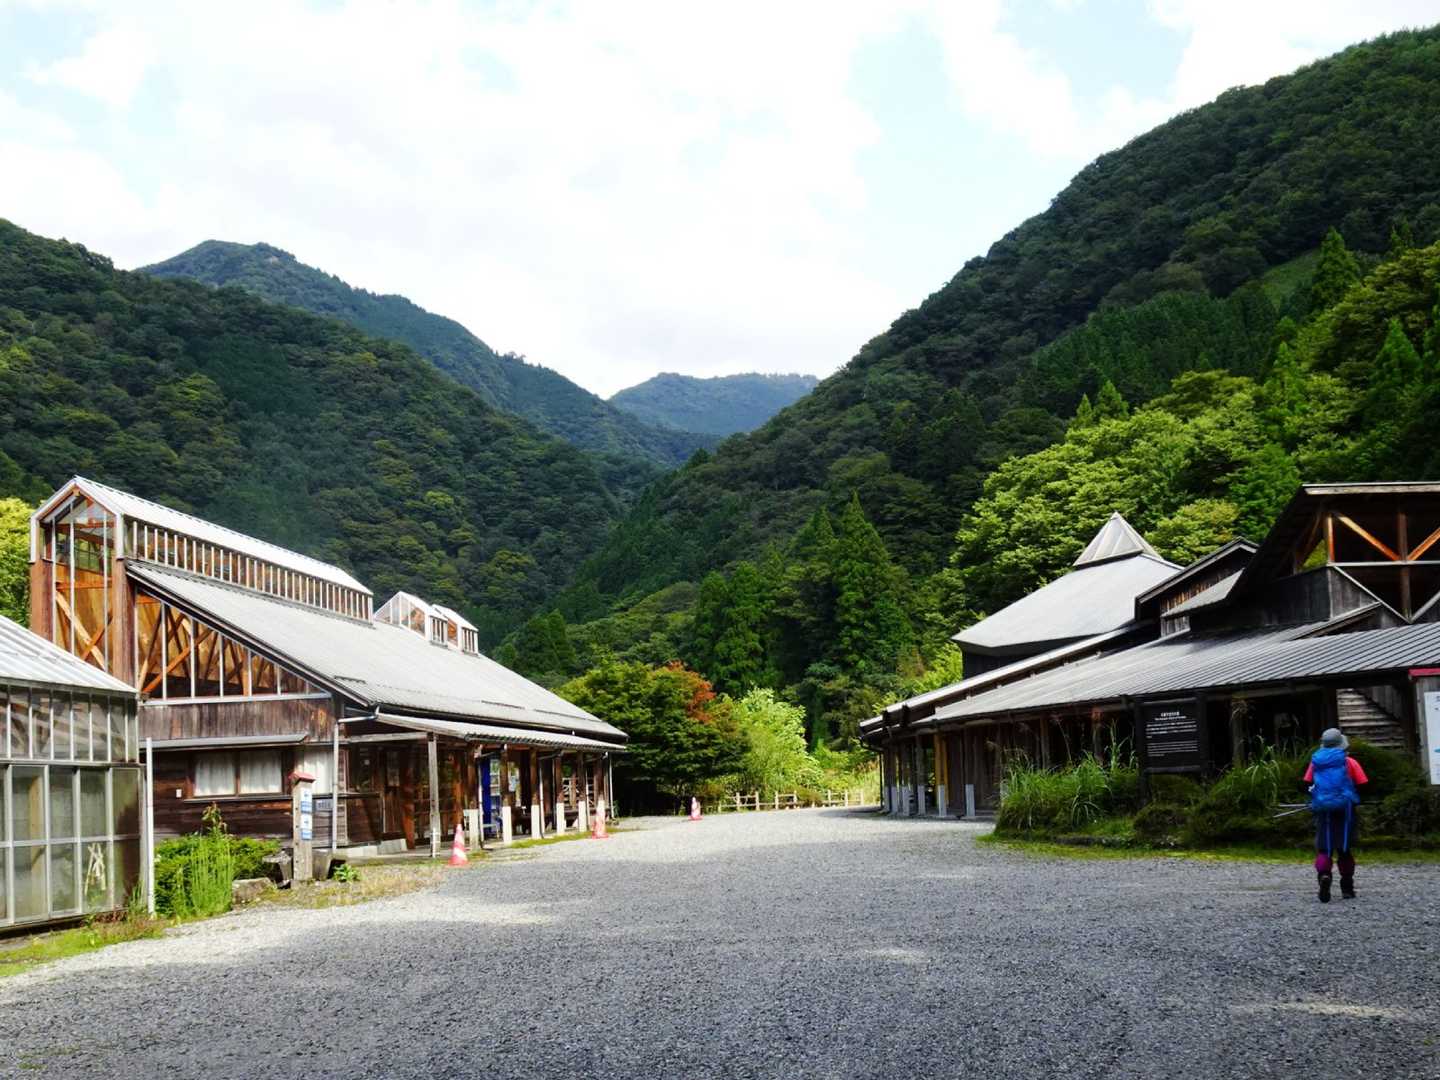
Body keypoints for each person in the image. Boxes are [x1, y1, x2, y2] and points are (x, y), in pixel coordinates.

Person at [1304, 727, 1367, 903]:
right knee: (1344, 849)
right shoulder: (1349, 762)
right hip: (1345, 810)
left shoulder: (1315, 763)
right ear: (1342, 744)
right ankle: (1347, 888)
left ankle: (1324, 876)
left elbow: (1307, 783)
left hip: (1323, 810)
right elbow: (1363, 784)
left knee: (1324, 848)